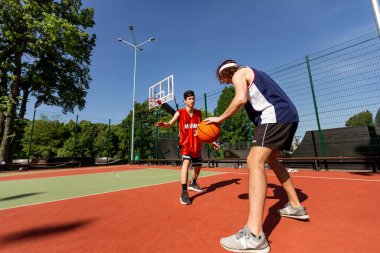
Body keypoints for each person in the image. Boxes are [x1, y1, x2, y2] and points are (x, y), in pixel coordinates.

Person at [204, 60, 309, 252]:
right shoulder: (255, 73)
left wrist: (219, 118)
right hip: (288, 115)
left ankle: (254, 235)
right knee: (271, 159)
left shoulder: (239, 74)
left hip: (275, 115)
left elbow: (241, 98)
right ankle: (295, 205)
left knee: (254, 160)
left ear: (226, 73)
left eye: (224, 80)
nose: (227, 82)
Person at [156, 90, 219, 205]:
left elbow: (204, 130)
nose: (192, 101)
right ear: (185, 101)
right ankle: (184, 192)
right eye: (190, 99)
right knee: (186, 163)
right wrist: (164, 124)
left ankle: (193, 183)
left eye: (193, 98)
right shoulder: (179, 113)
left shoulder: (198, 114)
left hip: (196, 145)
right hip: (185, 145)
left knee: (198, 166)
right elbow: (170, 124)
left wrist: (212, 141)